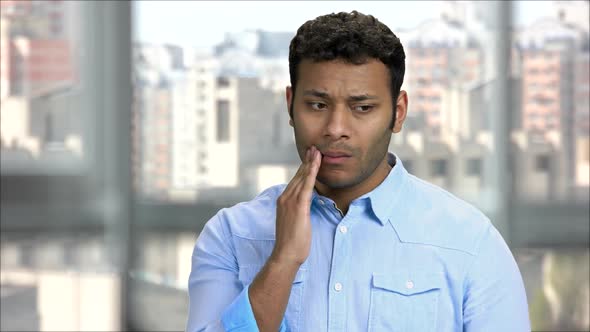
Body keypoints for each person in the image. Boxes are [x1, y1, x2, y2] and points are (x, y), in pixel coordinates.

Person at [186, 10, 530, 332]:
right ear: (290, 105)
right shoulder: (230, 237)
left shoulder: (470, 244)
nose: (336, 128)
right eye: (317, 105)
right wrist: (283, 260)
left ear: (398, 112)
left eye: (362, 107)